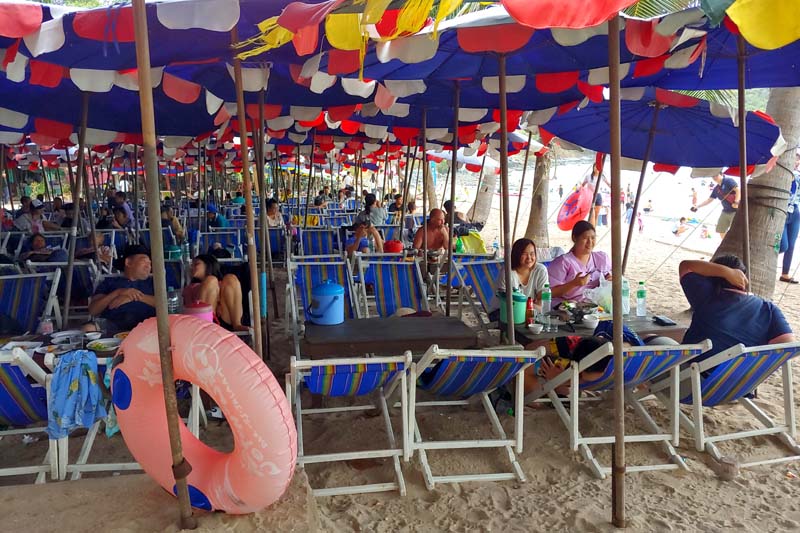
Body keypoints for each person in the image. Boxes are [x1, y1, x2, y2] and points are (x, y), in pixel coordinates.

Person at [679, 256, 794, 363]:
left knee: (667, 340)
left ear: (711, 279)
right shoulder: (769, 309)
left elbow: (686, 266)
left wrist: (726, 272)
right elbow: (787, 344)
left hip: (694, 373)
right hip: (740, 376)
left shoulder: (706, 295)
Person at [86, 245, 156, 335]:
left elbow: (166, 305)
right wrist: (118, 293)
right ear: (128, 262)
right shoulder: (110, 282)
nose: (148, 266)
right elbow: (93, 310)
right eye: (144, 261)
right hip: (114, 325)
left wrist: (133, 297)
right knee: (88, 328)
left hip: (146, 327)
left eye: (149, 263)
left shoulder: (153, 283)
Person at [547, 220, 611, 306]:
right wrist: (573, 284)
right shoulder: (563, 262)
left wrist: (609, 278)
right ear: (574, 238)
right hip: (569, 306)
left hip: (597, 305)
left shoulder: (602, 258)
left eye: (593, 238)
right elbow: (550, 292)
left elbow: (611, 275)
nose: (590, 242)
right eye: (585, 238)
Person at [183, 254, 248, 331]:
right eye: (191, 265)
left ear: (208, 265)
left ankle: (237, 324)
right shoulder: (190, 288)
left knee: (231, 278)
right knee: (211, 280)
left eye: (196, 264)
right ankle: (208, 326)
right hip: (203, 325)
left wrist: (219, 300)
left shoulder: (224, 283)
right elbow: (189, 310)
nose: (191, 267)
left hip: (226, 319)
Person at [490, 239, 549, 321]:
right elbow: (509, 303)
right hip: (502, 311)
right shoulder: (507, 273)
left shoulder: (540, 270)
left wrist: (533, 307)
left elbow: (542, 301)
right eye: (524, 254)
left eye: (532, 254)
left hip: (528, 311)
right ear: (516, 255)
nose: (529, 258)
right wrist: (532, 306)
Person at [691, 173, 739, 238]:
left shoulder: (728, 180)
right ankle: (726, 243)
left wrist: (736, 202)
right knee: (721, 230)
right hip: (725, 211)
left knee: (736, 230)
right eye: (712, 176)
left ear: (721, 174)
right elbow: (709, 200)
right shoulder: (716, 189)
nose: (714, 177)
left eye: (716, 175)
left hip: (735, 211)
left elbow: (738, 190)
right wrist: (697, 206)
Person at [779, 153, 800, 283]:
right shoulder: (782, 174)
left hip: (795, 212)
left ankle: (785, 274)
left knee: (791, 245)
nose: (796, 162)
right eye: (795, 160)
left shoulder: (798, 176)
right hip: (782, 210)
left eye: (798, 161)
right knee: (783, 245)